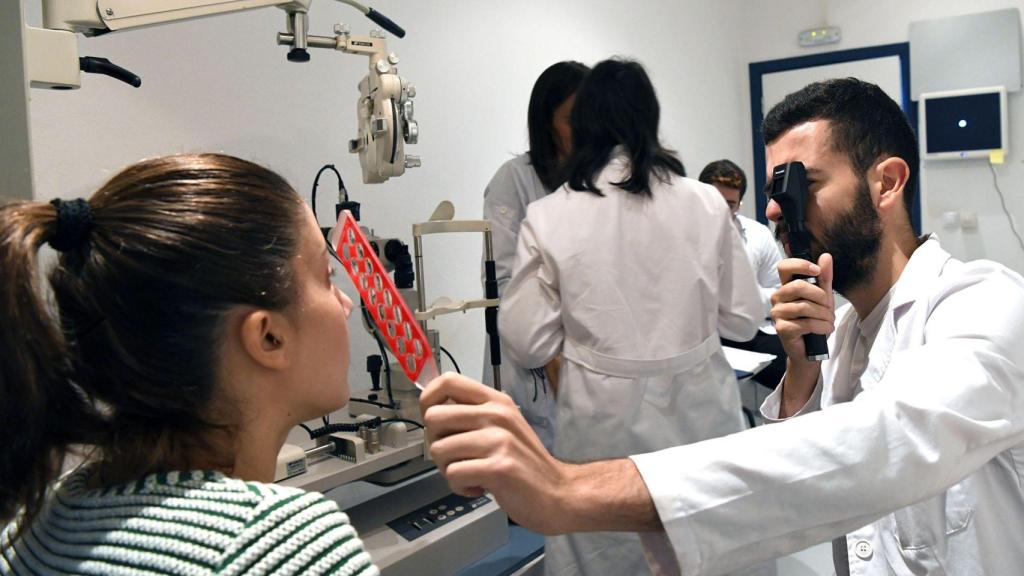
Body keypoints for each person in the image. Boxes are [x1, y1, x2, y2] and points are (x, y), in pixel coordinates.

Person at [421, 78, 1024, 575]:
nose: (771, 209)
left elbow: (887, 443)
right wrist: (801, 368)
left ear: (886, 183)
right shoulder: (841, 334)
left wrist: (569, 490)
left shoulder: (985, 304)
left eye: (802, 183)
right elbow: (808, 487)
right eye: (772, 190)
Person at [0, 154, 378, 575]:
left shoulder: (37, 524)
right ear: (268, 337)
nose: (345, 303)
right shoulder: (286, 548)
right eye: (327, 276)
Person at [498, 59, 761, 576]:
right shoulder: (706, 203)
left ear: (585, 123)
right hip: (699, 415)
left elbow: (527, 341)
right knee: (706, 547)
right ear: (650, 119)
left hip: (600, 425)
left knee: (604, 548)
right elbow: (744, 320)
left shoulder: (551, 213)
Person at [482, 60, 589, 451]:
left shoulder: (600, 180)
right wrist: (554, 360)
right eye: (572, 118)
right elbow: (508, 285)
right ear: (546, 121)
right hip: (537, 372)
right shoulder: (513, 181)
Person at [699, 159, 787, 388]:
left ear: (739, 204)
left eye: (729, 204)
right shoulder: (681, 237)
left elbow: (779, 293)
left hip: (753, 330)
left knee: (793, 367)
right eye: (714, 201)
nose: (720, 210)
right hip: (703, 335)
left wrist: (739, 299)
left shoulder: (758, 235)